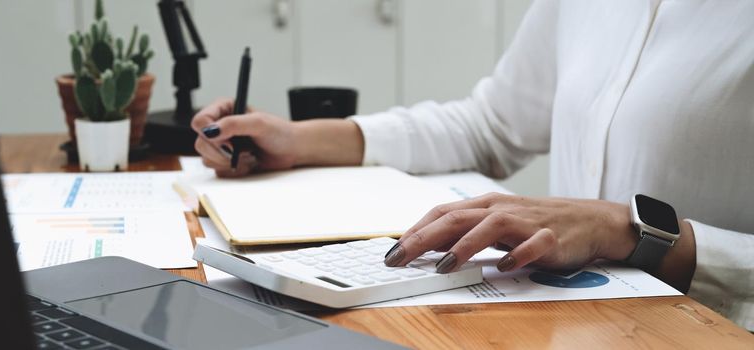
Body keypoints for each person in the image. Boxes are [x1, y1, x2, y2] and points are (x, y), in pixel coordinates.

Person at [191, 1, 753, 331]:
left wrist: (628, 231)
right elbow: (493, 125)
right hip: (574, 326)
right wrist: (299, 139)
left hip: (706, 330)